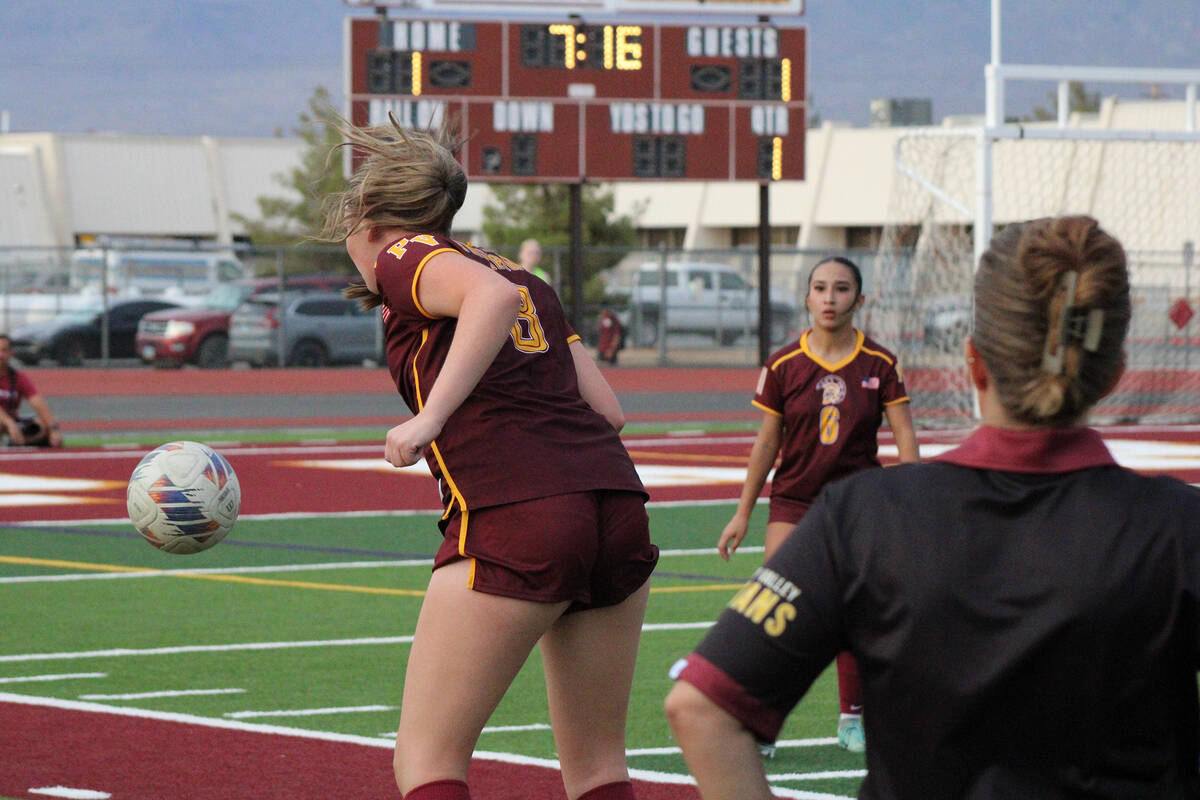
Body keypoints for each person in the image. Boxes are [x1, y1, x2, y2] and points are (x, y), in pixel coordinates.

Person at [665, 215, 1200, 800]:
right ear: (1114, 375)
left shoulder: (865, 517)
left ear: (972, 363)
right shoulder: (1179, 529)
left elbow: (700, 708)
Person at [319, 115, 658, 800]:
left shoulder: (405, 257)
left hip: (520, 517)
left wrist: (430, 418)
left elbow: (489, 300)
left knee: (427, 759)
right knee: (597, 768)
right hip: (616, 505)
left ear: (376, 218)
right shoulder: (520, 272)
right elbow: (610, 413)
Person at [715, 255, 919, 752]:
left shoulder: (880, 363)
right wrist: (743, 511)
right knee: (774, 610)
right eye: (821, 288)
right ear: (807, 297)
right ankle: (761, 721)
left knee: (855, 613)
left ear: (860, 299)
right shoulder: (784, 364)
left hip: (859, 505)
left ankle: (853, 718)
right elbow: (767, 443)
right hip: (795, 501)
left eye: (842, 289)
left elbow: (906, 440)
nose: (830, 298)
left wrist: (915, 506)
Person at [0, 333, 63, 447]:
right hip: (5, 423)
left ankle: (14, 443)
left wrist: (53, 429)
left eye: (4, 350)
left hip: (11, 424)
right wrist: (9, 424)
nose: (1, 355)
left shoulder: (18, 378)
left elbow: (39, 403)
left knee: (43, 424)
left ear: (11, 353)